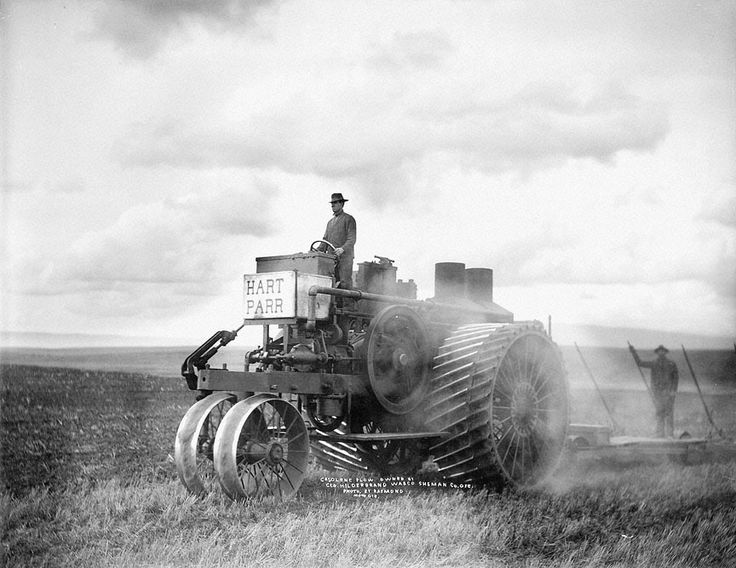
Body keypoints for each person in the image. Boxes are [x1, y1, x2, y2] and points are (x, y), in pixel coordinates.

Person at [629, 343, 679, 438]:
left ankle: (670, 435)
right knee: (659, 413)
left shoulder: (671, 364)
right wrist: (633, 352)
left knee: (669, 414)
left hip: (668, 393)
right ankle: (660, 435)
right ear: (657, 352)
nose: (661, 352)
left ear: (665, 352)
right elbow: (640, 363)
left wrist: (673, 391)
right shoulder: (654, 363)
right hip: (657, 393)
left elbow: (676, 378)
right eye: (659, 351)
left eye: (663, 351)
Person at [321, 193, 356, 289]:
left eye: (335, 202)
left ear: (341, 204)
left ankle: (347, 304)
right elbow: (324, 242)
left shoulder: (349, 219)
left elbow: (352, 239)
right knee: (330, 283)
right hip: (331, 259)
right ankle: (334, 304)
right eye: (332, 203)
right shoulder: (330, 223)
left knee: (345, 283)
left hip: (345, 258)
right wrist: (314, 251)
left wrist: (342, 249)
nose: (332, 205)